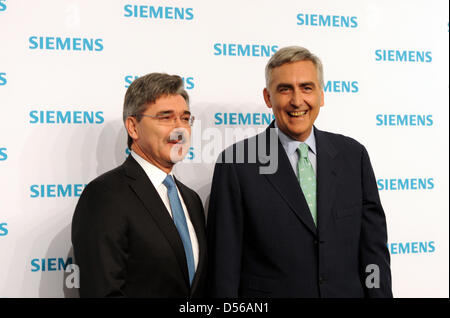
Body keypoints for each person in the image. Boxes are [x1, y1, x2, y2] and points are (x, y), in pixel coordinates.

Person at [207, 46, 392, 297]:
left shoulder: (353, 156)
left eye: (306, 88)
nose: (297, 101)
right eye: (285, 89)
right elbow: (224, 269)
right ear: (268, 97)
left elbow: (374, 253)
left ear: (321, 95)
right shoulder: (236, 164)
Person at [72, 73, 207, 297]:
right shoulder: (105, 195)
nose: (180, 128)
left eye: (185, 118)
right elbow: (103, 291)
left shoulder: (191, 199)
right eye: (166, 117)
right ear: (133, 127)